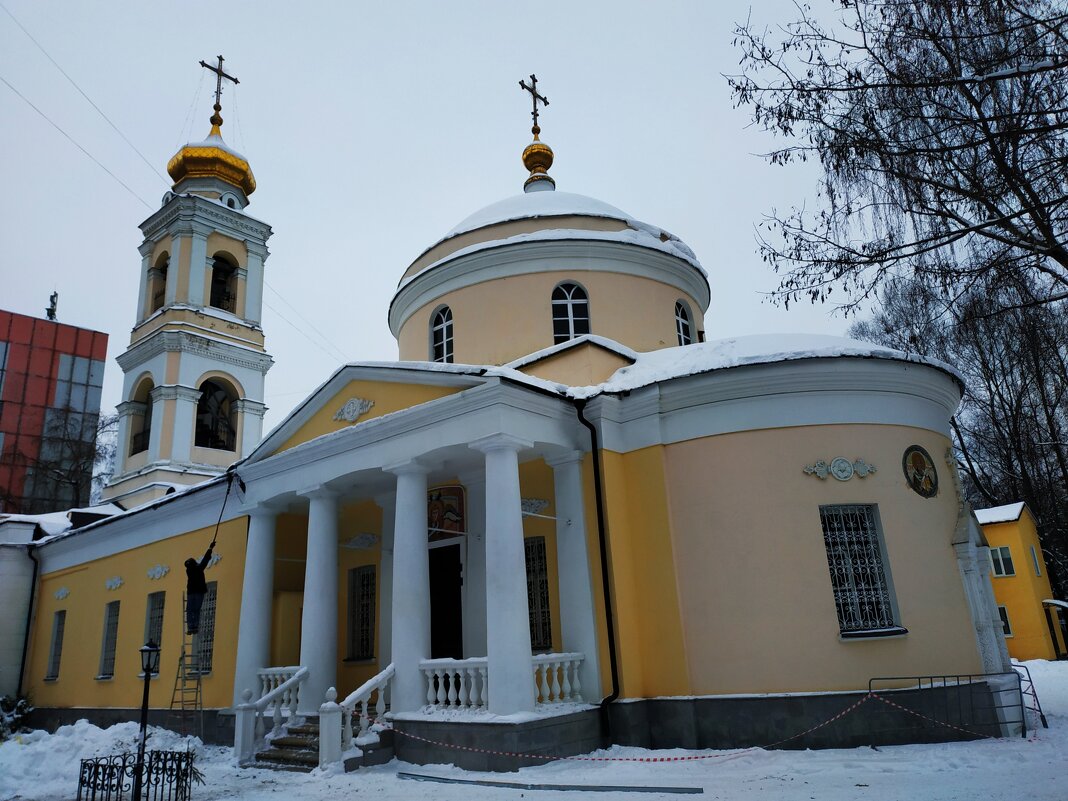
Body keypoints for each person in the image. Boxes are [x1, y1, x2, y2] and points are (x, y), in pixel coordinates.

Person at [184, 542, 214, 635]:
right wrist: (210, 549)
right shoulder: (198, 569)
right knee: (196, 610)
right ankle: (194, 627)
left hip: (192, 592)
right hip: (198, 592)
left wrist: (210, 549)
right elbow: (205, 560)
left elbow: (204, 560)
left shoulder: (190, 570)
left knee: (190, 610)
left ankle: (191, 627)